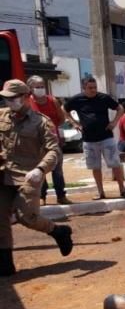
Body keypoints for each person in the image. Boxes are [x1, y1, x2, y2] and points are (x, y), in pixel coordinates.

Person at [0, 80, 74, 275]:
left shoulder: (41, 122)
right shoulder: (1, 116)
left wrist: (41, 169)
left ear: (25, 97)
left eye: (13, 98)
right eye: (6, 98)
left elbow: (53, 151)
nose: (9, 102)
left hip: (28, 175)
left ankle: (58, 231)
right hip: (4, 174)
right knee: (0, 219)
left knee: (26, 217)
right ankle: (5, 263)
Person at [63, 77, 125, 200]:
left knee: (115, 164)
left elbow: (120, 108)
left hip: (106, 137)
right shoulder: (77, 99)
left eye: (95, 87)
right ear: (84, 88)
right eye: (90, 88)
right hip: (89, 140)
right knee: (95, 167)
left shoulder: (103, 98)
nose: (93, 90)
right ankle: (100, 192)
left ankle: (123, 189)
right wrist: (74, 123)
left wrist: (114, 122)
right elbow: (63, 109)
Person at [26, 75, 72, 205]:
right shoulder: (27, 102)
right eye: (37, 87)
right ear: (31, 88)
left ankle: (61, 195)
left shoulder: (53, 101)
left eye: (42, 86)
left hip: (53, 140)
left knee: (57, 170)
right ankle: (42, 196)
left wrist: (52, 128)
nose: (41, 89)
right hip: (36, 142)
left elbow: (61, 118)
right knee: (40, 169)